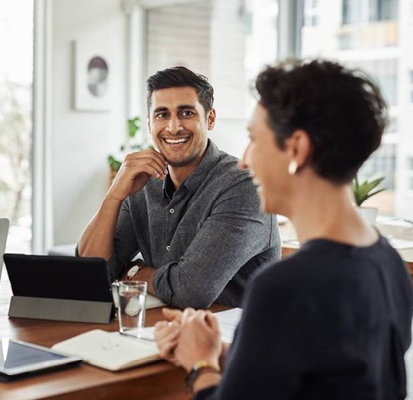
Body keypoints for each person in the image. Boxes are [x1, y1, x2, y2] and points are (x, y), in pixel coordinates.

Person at [154, 59, 413, 399]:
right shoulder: (387, 262)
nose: (245, 160)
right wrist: (220, 351)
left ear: (297, 149)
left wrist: (200, 363)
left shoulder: (284, 288)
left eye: (254, 140)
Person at [78, 66, 280, 309]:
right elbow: (90, 272)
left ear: (210, 119)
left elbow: (191, 291)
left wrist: (133, 272)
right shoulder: (143, 182)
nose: (173, 127)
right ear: (150, 123)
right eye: (162, 114)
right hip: (163, 330)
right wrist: (114, 196)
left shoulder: (242, 185)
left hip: (231, 340)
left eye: (186, 113)